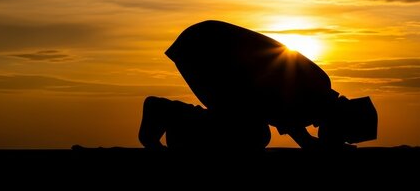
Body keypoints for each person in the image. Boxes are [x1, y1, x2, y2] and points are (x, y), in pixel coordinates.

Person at [139, 20, 378, 151]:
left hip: (210, 45)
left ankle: (175, 121)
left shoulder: (318, 92)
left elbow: (286, 116)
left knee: (249, 131)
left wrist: (312, 144)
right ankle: (165, 112)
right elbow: (287, 114)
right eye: (343, 136)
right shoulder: (316, 91)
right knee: (250, 133)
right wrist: (313, 145)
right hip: (209, 47)